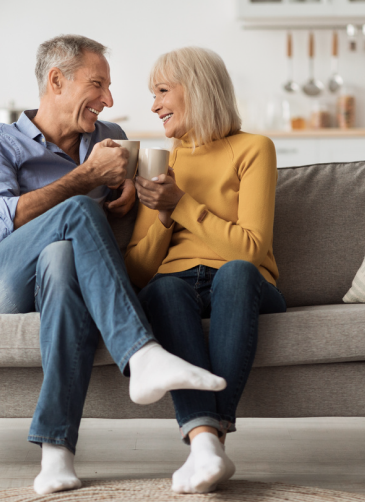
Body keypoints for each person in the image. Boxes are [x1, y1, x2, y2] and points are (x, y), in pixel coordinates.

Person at [0, 35, 227, 496]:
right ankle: (141, 354)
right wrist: (85, 180)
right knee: (80, 211)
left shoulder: (112, 141)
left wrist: (134, 195)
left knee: (62, 259)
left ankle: (56, 452)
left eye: (109, 88)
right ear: (56, 80)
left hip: (56, 283)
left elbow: (144, 195)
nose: (109, 100)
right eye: (97, 84)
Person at [125, 47, 287, 494]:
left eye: (162, 91)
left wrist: (181, 204)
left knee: (235, 272)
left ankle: (209, 437)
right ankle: (205, 447)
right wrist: (160, 217)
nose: (154, 105)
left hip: (245, 283)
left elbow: (251, 251)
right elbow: (138, 271)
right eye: (152, 94)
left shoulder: (254, 149)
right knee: (161, 292)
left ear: (196, 89)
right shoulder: (162, 162)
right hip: (176, 282)